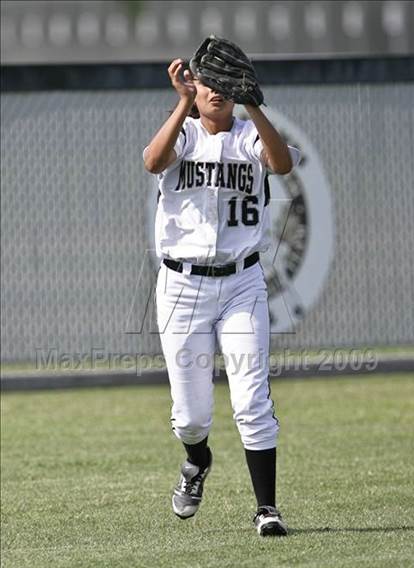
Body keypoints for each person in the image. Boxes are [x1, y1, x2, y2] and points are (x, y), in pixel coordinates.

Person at [143, 56, 300, 537]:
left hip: (241, 283)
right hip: (182, 283)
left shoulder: (249, 134)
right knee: (191, 418)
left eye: (227, 81)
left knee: (251, 396)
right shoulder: (186, 134)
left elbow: (282, 162)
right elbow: (152, 160)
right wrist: (183, 103)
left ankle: (266, 509)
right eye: (209, 79)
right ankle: (197, 459)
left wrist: (254, 104)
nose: (218, 89)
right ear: (194, 82)